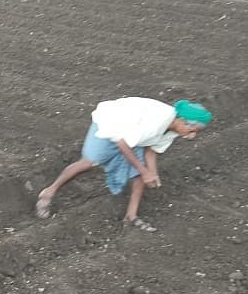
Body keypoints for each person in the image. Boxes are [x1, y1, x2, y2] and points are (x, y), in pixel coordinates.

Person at [34, 98, 213, 231]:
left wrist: (152, 172)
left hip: (132, 135)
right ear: (182, 121)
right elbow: (123, 143)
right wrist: (145, 171)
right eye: (192, 130)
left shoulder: (173, 130)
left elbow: (151, 149)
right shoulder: (156, 122)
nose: (192, 135)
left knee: (138, 174)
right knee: (88, 162)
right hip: (111, 124)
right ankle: (48, 192)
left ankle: (131, 216)